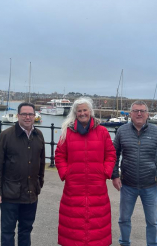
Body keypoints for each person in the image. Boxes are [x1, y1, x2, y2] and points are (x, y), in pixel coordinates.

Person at [55, 97, 116, 246]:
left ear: (90, 112)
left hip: (97, 186)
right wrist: (66, 174)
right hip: (73, 186)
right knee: (73, 225)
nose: (82, 113)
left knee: (97, 224)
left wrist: (105, 172)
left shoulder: (102, 131)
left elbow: (111, 154)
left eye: (85, 110)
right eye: (79, 111)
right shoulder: (67, 132)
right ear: (75, 113)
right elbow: (59, 155)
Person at [112, 100, 157, 246]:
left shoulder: (156, 131)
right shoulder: (122, 131)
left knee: (152, 221)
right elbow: (114, 154)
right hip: (127, 184)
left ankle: (152, 244)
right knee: (124, 218)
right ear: (130, 114)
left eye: (142, 111)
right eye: (136, 111)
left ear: (147, 114)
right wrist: (114, 175)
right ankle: (124, 242)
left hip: (150, 185)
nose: (139, 113)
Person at [0, 102, 45, 246]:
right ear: (18, 116)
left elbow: (41, 162)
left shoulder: (39, 136)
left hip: (31, 193)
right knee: (8, 232)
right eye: (24, 114)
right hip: (10, 194)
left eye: (30, 114)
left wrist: (39, 183)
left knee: (26, 230)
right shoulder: (6, 136)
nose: (27, 117)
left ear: (34, 116)